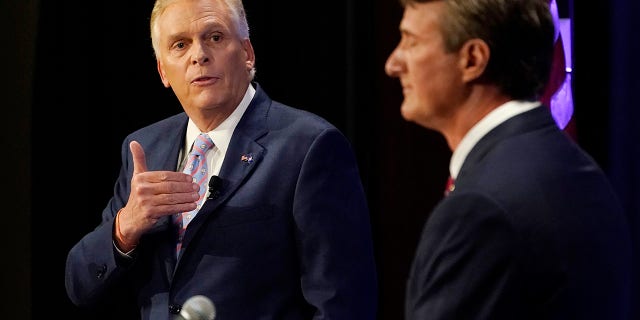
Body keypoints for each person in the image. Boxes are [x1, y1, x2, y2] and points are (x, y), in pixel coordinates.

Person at [64, 0, 378, 319]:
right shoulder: (144, 149)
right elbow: (80, 284)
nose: (198, 55)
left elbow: (343, 304)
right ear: (162, 70)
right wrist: (125, 227)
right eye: (180, 44)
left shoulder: (309, 147)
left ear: (247, 53)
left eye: (214, 37)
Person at [384, 0, 632, 319]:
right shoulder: (571, 165)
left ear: (472, 59)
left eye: (411, 41)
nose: (393, 63)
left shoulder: (479, 209)